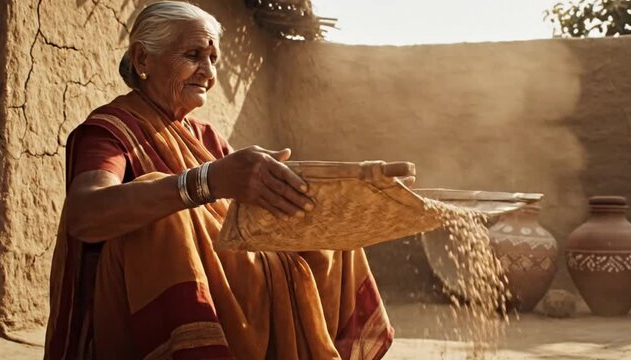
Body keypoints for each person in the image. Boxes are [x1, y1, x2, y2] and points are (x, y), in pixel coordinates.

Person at [44, 1, 393, 359]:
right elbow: (85, 214)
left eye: (213, 58)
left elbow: (238, 221)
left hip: (231, 288)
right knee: (168, 214)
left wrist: (326, 194)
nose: (208, 72)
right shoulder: (109, 131)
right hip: (135, 312)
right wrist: (204, 182)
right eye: (194, 55)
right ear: (142, 59)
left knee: (324, 227)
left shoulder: (206, 137)